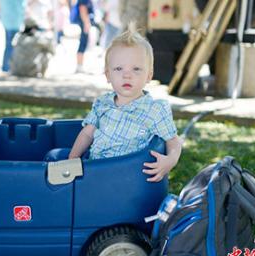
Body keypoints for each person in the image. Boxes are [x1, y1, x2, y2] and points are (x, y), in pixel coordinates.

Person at [67, 23, 182, 182]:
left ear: (149, 75)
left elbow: (174, 141)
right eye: (118, 69)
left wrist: (170, 161)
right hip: (95, 171)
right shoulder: (103, 103)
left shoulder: (154, 110)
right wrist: (72, 159)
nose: (127, 75)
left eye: (136, 69)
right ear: (108, 75)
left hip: (127, 178)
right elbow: (87, 133)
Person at [0, 0, 26, 72]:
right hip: (14, 21)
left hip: (7, 20)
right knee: (11, 45)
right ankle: (7, 67)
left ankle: (6, 66)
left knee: (8, 45)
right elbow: (22, 7)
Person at [73, 0, 95, 73]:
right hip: (84, 23)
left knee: (85, 44)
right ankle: (79, 65)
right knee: (83, 43)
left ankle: (80, 65)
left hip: (85, 23)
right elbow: (83, 9)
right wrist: (86, 23)